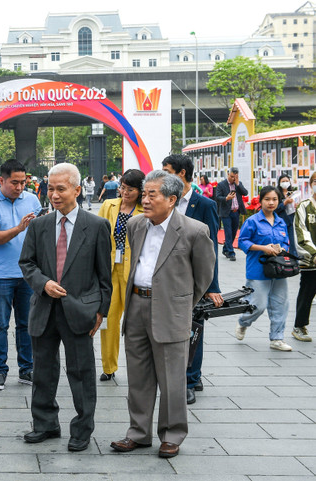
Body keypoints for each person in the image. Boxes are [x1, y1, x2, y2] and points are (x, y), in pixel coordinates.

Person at [110, 171, 214, 459]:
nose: (145, 199)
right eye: (144, 194)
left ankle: (171, 435)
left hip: (170, 311)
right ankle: (138, 433)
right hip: (136, 306)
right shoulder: (136, 225)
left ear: (171, 199)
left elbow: (204, 276)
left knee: (172, 380)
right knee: (139, 377)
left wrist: (181, 304)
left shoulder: (194, 231)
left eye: (151, 194)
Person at [19, 163, 112, 450]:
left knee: (81, 372)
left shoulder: (95, 226)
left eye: (61, 189)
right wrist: (43, 283)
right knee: (43, 371)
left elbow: (104, 275)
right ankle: (45, 424)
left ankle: (82, 429)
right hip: (45, 309)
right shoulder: (39, 225)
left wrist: (101, 311)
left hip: (80, 310)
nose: (55, 195)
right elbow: (27, 263)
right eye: (50, 188)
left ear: (77, 190)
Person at [162, 154, 223, 405]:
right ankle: (177, 377)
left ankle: (190, 379)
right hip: (167, 277)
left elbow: (211, 251)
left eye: (167, 171)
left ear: (182, 174)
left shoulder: (204, 205)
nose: (163, 174)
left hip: (193, 279)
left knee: (193, 329)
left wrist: (212, 286)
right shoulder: (163, 201)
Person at [0, 159, 42, 390]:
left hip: (28, 273)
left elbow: (40, 234)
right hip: (1, 275)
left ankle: (27, 369)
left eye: (23, 182)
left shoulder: (33, 200)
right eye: (14, 182)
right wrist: (19, 228)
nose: (19, 187)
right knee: (0, 324)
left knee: (26, 324)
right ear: (1, 180)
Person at [97, 169, 145, 382]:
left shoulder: (146, 210)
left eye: (131, 189)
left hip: (135, 272)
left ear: (140, 191)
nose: (125, 192)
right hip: (109, 270)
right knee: (109, 320)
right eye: (123, 187)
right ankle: (109, 367)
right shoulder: (109, 205)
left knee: (135, 323)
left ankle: (139, 366)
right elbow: (97, 233)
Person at [234, 186, 293, 351]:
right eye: (267, 199)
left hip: (278, 270)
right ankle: (243, 322)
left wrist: (281, 248)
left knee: (281, 304)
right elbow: (242, 241)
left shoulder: (281, 222)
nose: (271, 202)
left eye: (274, 199)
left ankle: (277, 338)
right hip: (258, 270)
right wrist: (263, 248)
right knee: (258, 305)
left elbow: (286, 242)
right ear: (260, 201)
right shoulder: (252, 222)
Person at [293, 172, 316, 341]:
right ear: (311, 184)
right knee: (307, 293)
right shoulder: (304, 207)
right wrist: (314, 253)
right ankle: (299, 326)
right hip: (311, 261)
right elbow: (301, 232)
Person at [214, 167, 248, 261]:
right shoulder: (221, 184)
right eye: (232, 176)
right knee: (228, 233)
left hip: (236, 211)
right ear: (228, 174)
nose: (233, 178)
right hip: (226, 212)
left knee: (233, 233)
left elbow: (245, 193)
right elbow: (217, 197)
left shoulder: (238, 184)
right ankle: (231, 252)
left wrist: (238, 184)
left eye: (235, 177)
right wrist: (226, 198)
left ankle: (225, 248)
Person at [275, 174, 298, 254]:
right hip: (280, 221)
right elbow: (276, 208)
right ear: (279, 183)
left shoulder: (292, 193)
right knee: (280, 240)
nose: (285, 183)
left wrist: (297, 205)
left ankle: (293, 259)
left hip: (291, 220)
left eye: (287, 181)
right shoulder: (277, 194)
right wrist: (285, 202)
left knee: (293, 241)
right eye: (283, 181)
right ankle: (279, 258)